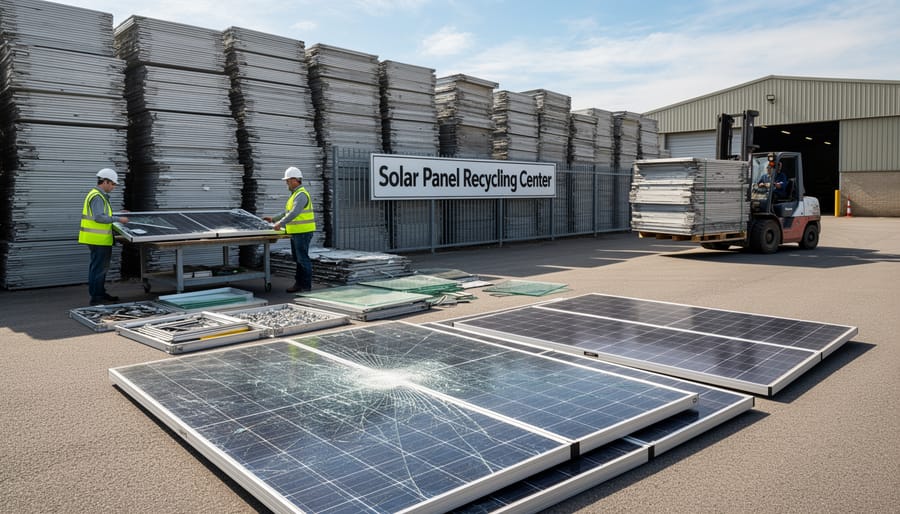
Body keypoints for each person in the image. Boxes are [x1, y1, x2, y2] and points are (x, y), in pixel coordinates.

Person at [79, 168, 129, 305]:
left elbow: (103, 214)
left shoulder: (98, 195)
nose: (113, 187)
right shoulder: (97, 196)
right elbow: (99, 218)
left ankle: (100, 293)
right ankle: (96, 298)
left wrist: (118, 214)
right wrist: (119, 219)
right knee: (98, 269)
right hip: (98, 240)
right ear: (105, 182)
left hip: (98, 239)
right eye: (112, 184)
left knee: (99, 268)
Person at [264, 166, 316, 293]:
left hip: (303, 232)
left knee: (303, 259)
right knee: (298, 259)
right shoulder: (295, 195)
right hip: (297, 232)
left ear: (294, 180)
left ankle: (306, 286)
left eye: (287, 181)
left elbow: (294, 213)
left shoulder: (301, 194)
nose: (286, 183)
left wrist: (280, 223)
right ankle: (299, 284)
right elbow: (287, 211)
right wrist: (274, 219)